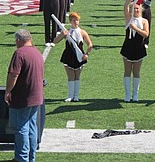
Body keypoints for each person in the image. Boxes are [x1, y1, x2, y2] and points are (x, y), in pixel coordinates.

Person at [5, 29, 44, 162]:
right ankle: (31, 157)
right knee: (32, 128)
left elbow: (13, 75)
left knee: (21, 128)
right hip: (36, 96)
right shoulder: (37, 52)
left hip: (23, 97)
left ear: (19, 40)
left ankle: (21, 158)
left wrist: (8, 91)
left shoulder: (19, 53)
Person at [53, 12, 93, 102]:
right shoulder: (66, 32)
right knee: (71, 76)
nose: (76, 22)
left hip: (80, 57)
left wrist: (87, 54)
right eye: (74, 20)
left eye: (77, 20)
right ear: (70, 21)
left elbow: (90, 44)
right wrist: (62, 34)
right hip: (68, 56)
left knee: (77, 76)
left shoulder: (82, 32)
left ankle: (76, 96)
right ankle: (70, 96)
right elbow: (55, 41)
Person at [120, 0, 149, 102]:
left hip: (139, 48)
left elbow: (146, 34)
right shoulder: (129, 18)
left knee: (136, 72)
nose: (136, 10)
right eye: (134, 8)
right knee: (127, 71)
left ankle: (135, 94)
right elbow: (125, 6)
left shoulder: (144, 21)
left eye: (138, 8)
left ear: (141, 9)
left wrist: (135, 28)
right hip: (128, 47)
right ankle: (127, 94)